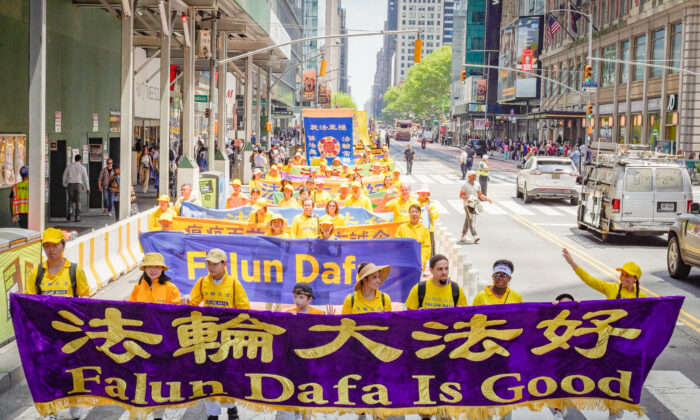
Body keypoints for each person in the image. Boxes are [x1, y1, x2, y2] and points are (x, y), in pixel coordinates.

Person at [185, 248, 249, 420]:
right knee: (209, 375)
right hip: (208, 336)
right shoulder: (202, 282)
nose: (211, 267)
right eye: (209, 264)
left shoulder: (234, 284)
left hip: (228, 337)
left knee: (227, 374)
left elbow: (245, 310)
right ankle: (212, 412)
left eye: (215, 264)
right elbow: (193, 302)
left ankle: (231, 407)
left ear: (224, 264)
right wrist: (186, 301)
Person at [562, 248, 647, 299]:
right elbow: (590, 280)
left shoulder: (642, 296)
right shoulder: (611, 288)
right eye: (622, 274)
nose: (623, 278)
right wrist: (572, 263)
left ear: (635, 279)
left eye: (627, 275)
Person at [458, 171, 491, 244]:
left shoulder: (477, 184)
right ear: (469, 176)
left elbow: (480, 195)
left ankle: (463, 236)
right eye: (473, 175)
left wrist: (487, 199)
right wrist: (468, 198)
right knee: (471, 220)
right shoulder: (465, 185)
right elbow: (461, 195)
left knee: (468, 220)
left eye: (475, 175)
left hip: (475, 205)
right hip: (467, 204)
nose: (475, 177)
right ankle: (474, 235)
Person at [395, 204, 432, 269]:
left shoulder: (424, 230)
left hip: (419, 264)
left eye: (417, 212)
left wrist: (422, 260)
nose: (414, 214)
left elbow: (426, 248)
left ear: (420, 214)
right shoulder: (401, 228)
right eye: (412, 212)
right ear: (409, 213)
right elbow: (397, 244)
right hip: (404, 263)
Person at [62, 154, 90, 222]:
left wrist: (64, 185)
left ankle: (70, 211)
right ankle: (77, 216)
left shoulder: (69, 166)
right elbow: (85, 178)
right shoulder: (82, 167)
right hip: (78, 185)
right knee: (78, 201)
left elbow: (64, 176)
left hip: (70, 185)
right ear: (80, 159)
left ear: (74, 159)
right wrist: (88, 188)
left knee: (70, 200)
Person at [415, 185, 439, 256]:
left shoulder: (431, 204)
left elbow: (435, 216)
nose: (423, 194)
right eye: (421, 192)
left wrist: (430, 212)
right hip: (416, 230)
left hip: (428, 230)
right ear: (418, 193)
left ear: (428, 194)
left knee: (429, 250)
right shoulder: (414, 202)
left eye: (425, 193)